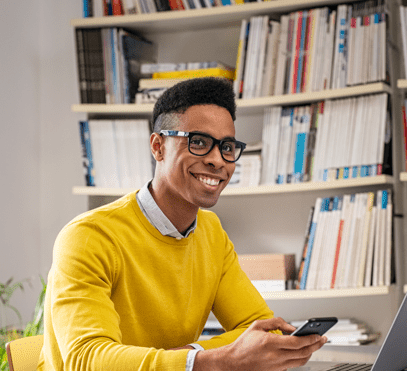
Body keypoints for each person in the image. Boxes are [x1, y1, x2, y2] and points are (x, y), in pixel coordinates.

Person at [37, 77, 326, 371]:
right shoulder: (88, 237)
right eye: (199, 142)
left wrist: (191, 354)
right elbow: (86, 359)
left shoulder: (211, 232)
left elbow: (264, 332)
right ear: (158, 146)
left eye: (227, 147)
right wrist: (207, 361)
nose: (217, 160)